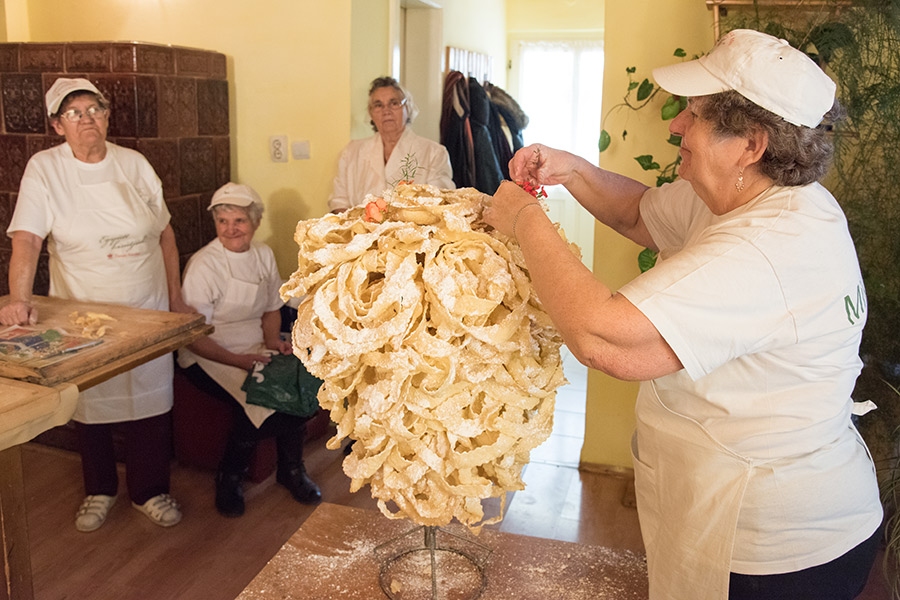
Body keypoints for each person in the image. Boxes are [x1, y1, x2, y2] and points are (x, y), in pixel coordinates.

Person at [483, 29, 882, 600]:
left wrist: (524, 219)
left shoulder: (769, 247)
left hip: (779, 553)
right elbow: (637, 212)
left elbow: (605, 340)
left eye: (692, 116)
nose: (674, 126)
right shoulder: (748, 196)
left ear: (750, 144)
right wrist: (570, 170)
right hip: (725, 508)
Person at [0, 77, 189, 532]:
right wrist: (18, 300)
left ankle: (149, 490)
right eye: (74, 113)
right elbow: (27, 239)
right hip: (84, 313)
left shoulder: (135, 164)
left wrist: (177, 299)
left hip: (146, 306)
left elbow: (164, 233)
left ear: (107, 116)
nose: (87, 120)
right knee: (91, 404)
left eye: (95, 110)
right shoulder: (45, 169)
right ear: (56, 125)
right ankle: (100, 489)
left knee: (150, 399)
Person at [177, 182, 321, 517]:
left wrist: (274, 342)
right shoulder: (204, 265)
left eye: (239, 220)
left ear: (255, 223)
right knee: (259, 399)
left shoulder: (263, 255)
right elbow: (194, 336)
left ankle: (292, 470)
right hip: (209, 352)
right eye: (223, 221)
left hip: (255, 344)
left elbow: (272, 308)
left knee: (304, 383)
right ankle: (230, 476)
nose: (231, 229)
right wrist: (238, 361)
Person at [327, 76, 455, 213]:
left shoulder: (433, 153)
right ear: (370, 113)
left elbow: (440, 203)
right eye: (378, 105)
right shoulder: (352, 152)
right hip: (360, 231)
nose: (386, 111)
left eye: (394, 103)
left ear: (408, 108)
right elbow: (339, 202)